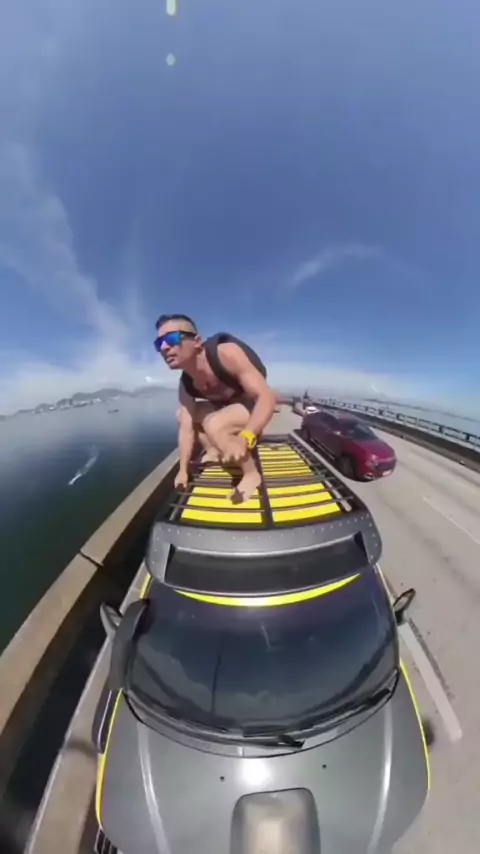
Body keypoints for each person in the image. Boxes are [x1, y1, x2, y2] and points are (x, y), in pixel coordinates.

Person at [154, 314, 278, 502]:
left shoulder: (226, 354)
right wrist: (183, 470)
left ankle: (251, 474)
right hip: (228, 408)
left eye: (171, 339)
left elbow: (266, 397)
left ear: (197, 341)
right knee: (182, 415)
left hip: (252, 410)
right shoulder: (186, 384)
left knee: (215, 423)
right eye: (159, 343)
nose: (164, 348)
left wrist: (247, 436)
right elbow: (186, 429)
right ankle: (213, 450)